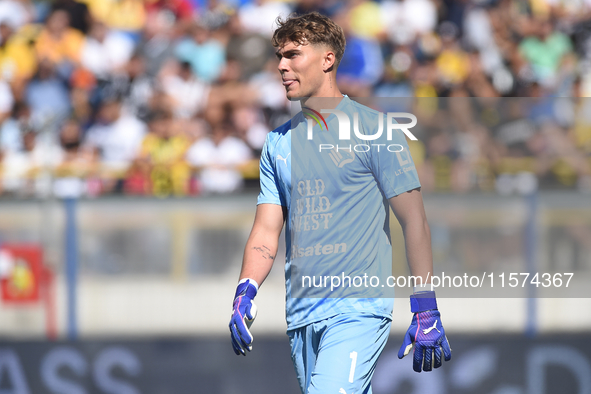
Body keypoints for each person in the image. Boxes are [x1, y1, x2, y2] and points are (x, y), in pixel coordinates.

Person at [228, 12, 451, 394]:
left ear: (327, 59)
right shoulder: (277, 144)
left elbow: (414, 221)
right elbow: (267, 231)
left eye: (293, 55)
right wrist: (245, 288)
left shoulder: (375, 130)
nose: (282, 66)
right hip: (300, 315)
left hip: (358, 310)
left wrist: (425, 304)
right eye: (280, 56)